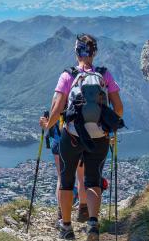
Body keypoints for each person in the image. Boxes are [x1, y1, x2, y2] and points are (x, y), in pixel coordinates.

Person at [40, 34, 124, 240]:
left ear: (76, 52)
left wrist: (47, 125)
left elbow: (57, 108)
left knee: (66, 180)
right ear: (94, 52)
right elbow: (119, 108)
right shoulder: (104, 75)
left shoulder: (68, 75)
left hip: (72, 136)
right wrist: (108, 128)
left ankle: (66, 227)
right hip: (100, 137)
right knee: (93, 180)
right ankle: (93, 224)